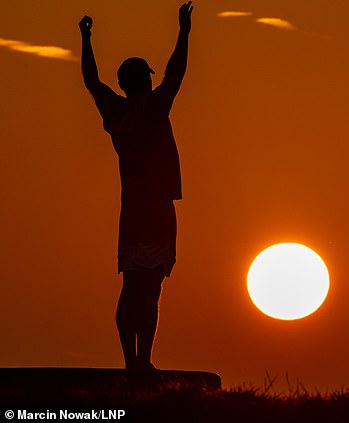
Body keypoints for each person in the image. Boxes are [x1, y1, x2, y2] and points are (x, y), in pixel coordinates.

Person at [79, 2, 193, 372]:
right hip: (158, 211)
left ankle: (133, 363)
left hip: (131, 213)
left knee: (131, 288)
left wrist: (86, 40)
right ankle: (142, 362)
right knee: (151, 289)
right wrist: (184, 32)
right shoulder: (156, 107)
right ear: (145, 80)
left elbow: (92, 83)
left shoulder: (116, 114)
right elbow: (176, 74)